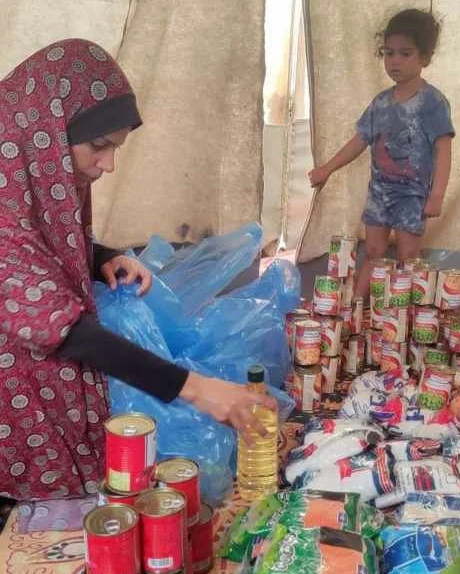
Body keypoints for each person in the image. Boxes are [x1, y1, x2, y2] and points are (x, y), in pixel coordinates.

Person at [0, 38, 275, 501]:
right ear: (43, 129)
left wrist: (103, 256)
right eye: (99, 146)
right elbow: (70, 333)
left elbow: (38, 243)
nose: (107, 165)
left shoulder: (24, 172)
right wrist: (195, 388)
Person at [309, 9, 454, 297]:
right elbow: (358, 141)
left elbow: (444, 151)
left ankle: (407, 314)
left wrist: (437, 195)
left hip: (412, 194)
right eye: (388, 53)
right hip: (380, 191)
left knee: (408, 254)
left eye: (405, 53)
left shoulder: (432, 102)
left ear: (424, 57)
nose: (395, 61)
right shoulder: (381, 103)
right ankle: (355, 308)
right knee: (373, 250)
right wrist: (327, 168)